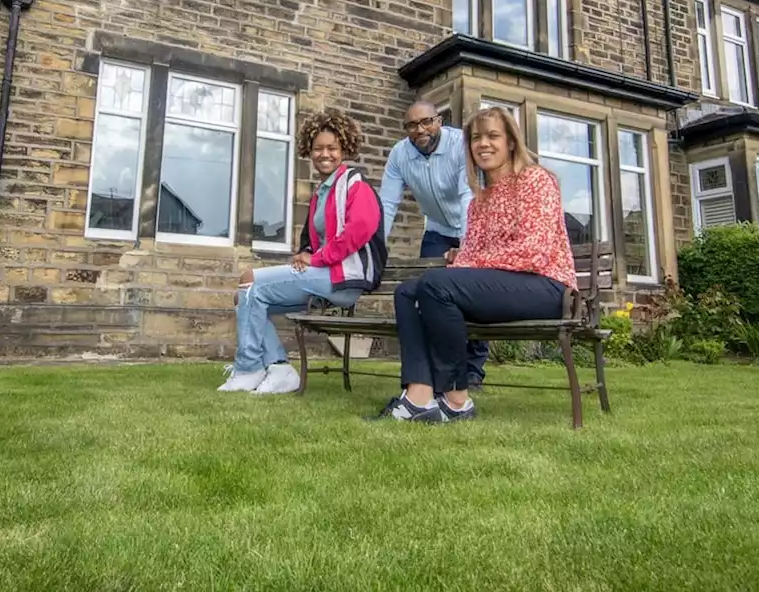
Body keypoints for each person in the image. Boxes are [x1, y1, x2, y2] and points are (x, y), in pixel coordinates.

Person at [375, 105, 576, 422]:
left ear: (510, 141)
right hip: (507, 285)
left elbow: (533, 253)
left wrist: (470, 262)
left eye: (493, 136)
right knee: (406, 292)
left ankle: (456, 401)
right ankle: (419, 396)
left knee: (436, 284)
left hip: (548, 287)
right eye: (476, 138)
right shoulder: (480, 199)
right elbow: (468, 256)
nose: (483, 144)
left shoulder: (536, 180)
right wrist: (467, 262)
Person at [218, 109, 388, 395]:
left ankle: (248, 368)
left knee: (249, 280)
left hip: (344, 278)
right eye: (318, 148)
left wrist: (317, 258)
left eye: (332, 148)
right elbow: (312, 241)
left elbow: (359, 229)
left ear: (344, 148)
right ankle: (279, 368)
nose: (325, 154)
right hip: (324, 274)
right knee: (244, 297)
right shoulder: (321, 192)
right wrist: (305, 254)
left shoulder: (356, 185)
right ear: (308, 151)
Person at [378, 100, 490, 390]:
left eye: (427, 121)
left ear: (439, 121)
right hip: (437, 230)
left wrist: (466, 247)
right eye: (412, 125)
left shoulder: (458, 145)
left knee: (474, 296)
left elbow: (468, 195)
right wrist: (375, 248)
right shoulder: (399, 155)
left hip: (474, 227)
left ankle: (474, 369)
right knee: (429, 295)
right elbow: (387, 204)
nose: (420, 129)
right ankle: (437, 369)